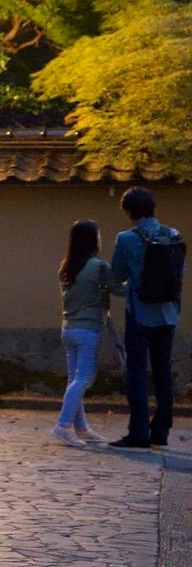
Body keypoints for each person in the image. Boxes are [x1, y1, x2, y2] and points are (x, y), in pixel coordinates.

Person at [108, 186, 181, 448]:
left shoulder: (126, 239)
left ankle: (138, 431)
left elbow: (117, 275)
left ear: (127, 212)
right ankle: (161, 430)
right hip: (169, 312)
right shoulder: (173, 234)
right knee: (163, 370)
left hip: (139, 312)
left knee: (137, 371)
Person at [52, 220, 111, 447]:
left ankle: (82, 428)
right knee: (84, 378)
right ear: (92, 240)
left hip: (68, 328)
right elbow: (118, 288)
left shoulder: (66, 266)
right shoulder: (98, 266)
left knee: (74, 379)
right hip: (88, 329)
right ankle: (63, 425)